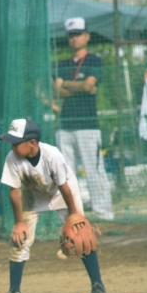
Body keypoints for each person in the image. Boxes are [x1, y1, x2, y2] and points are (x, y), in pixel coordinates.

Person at [0, 118, 107, 293]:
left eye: (16, 143)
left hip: (62, 193)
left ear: (32, 143)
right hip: (33, 195)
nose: (12, 147)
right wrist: (19, 223)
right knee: (20, 240)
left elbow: (64, 186)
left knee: (81, 235)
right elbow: (14, 191)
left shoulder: (52, 155)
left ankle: (98, 286)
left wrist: (74, 215)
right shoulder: (12, 158)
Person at [52, 17, 114, 221]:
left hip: (88, 125)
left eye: (78, 34)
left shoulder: (94, 60)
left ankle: (103, 212)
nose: (75, 38)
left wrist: (66, 85)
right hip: (65, 125)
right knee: (66, 173)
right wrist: (79, 87)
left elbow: (89, 85)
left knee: (93, 169)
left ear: (87, 36)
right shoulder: (61, 64)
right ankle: (71, 214)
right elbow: (56, 90)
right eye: (71, 35)